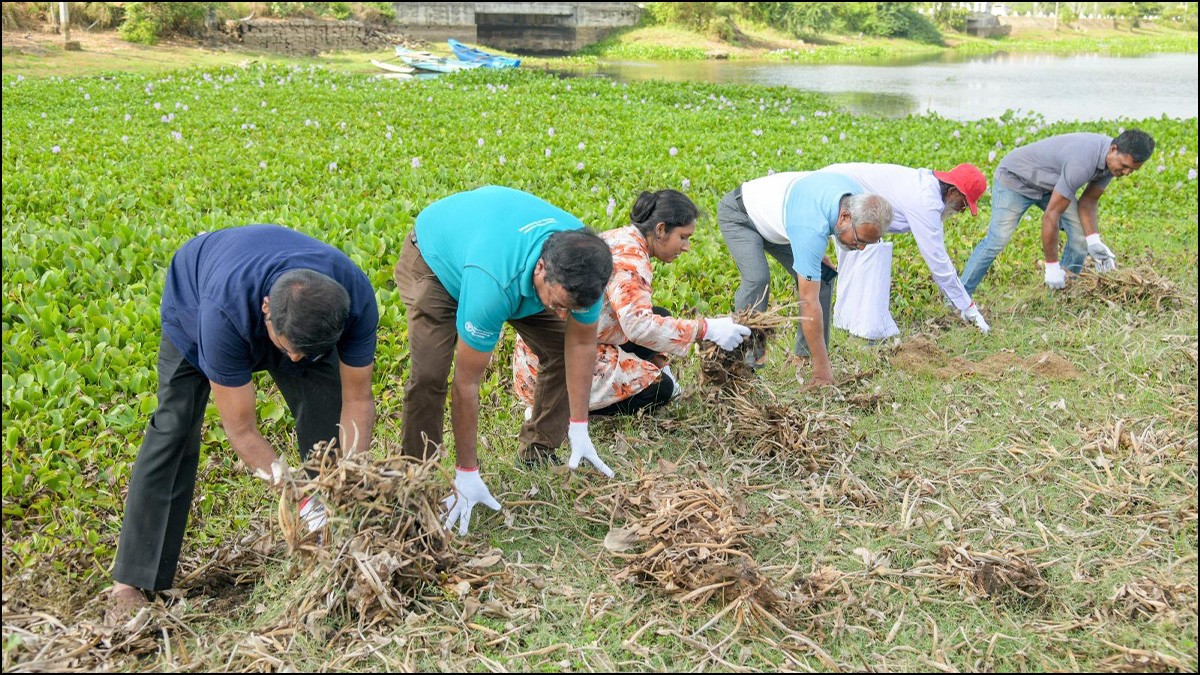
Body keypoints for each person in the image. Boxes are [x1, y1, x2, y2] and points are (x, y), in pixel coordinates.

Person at [108, 224, 379, 615]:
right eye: (290, 351)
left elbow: (358, 399)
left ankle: (332, 535)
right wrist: (298, 497)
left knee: (326, 408)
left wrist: (350, 481)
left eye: (304, 353)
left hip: (301, 322)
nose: (295, 362)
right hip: (198, 297)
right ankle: (131, 579)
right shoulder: (223, 315)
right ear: (266, 308)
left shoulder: (353, 299)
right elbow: (242, 431)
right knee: (175, 426)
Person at [395, 185, 614, 536]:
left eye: (571, 309)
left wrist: (579, 425)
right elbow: (466, 383)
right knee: (430, 376)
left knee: (560, 346)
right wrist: (468, 470)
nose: (562, 315)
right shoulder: (493, 285)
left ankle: (538, 451)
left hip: (498, 254)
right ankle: (416, 482)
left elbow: (581, 345)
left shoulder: (586, 269)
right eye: (557, 304)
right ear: (541, 268)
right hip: (437, 262)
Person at [511, 190, 752, 417]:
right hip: (552, 364)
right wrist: (706, 329)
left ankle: (651, 374)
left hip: (556, 343)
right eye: (683, 237)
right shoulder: (630, 262)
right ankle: (555, 407)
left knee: (660, 314)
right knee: (660, 390)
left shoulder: (623, 237)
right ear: (660, 230)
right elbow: (639, 327)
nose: (686, 247)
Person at [717, 172, 893, 388]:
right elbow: (808, 301)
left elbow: (812, 214)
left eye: (868, 243)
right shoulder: (810, 227)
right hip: (741, 215)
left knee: (823, 278)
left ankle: (806, 356)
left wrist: (815, 253)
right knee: (757, 279)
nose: (861, 248)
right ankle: (744, 363)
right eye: (859, 240)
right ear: (844, 218)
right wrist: (823, 374)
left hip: (784, 221)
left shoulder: (858, 199)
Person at [961, 129, 1156, 293]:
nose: (1126, 173)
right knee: (997, 240)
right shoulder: (1082, 162)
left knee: (1080, 239)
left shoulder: (1112, 164)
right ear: (1113, 149)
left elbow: (1088, 202)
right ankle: (959, 298)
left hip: (1052, 186)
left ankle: (1063, 292)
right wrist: (1052, 266)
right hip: (1016, 179)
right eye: (1124, 167)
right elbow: (1051, 215)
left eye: (1131, 170)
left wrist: (1094, 240)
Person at [817, 162, 991, 338]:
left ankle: (850, 324)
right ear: (952, 191)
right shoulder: (926, 202)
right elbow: (939, 264)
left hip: (837, 184)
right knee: (867, 253)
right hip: (835, 186)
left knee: (865, 252)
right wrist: (968, 308)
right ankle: (862, 328)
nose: (961, 211)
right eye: (963, 204)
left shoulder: (927, 187)